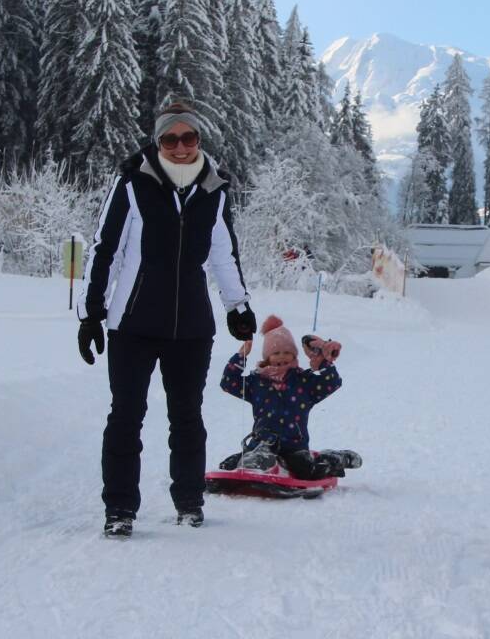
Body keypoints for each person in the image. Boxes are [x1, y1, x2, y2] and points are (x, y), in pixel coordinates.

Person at [77, 102, 257, 538]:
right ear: (157, 143)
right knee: (126, 417)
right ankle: (119, 509)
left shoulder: (214, 189)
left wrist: (238, 305)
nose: (179, 147)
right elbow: (106, 249)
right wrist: (91, 313)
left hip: (191, 327)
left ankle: (189, 501)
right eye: (169, 139)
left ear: (199, 141)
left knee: (188, 416)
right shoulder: (132, 184)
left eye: (188, 138)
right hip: (133, 323)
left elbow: (223, 252)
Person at [217, 315, 361, 479]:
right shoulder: (257, 382)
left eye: (287, 352)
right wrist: (240, 357)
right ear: (267, 357)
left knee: (307, 471)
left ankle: (333, 460)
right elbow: (228, 383)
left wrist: (322, 362)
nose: (281, 357)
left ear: (294, 356)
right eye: (276, 353)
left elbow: (332, 382)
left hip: (294, 446)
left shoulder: (303, 382)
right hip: (262, 444)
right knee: (229, 465)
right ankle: (253, 464)